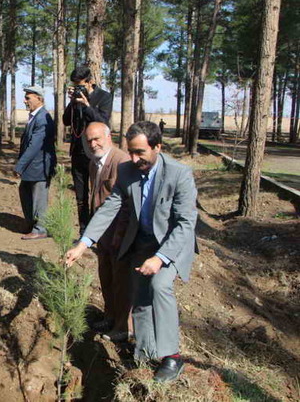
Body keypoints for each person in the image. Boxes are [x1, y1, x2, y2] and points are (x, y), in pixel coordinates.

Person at [65, 121, 198, 383]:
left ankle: (172, 357)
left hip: (171, 242)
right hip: (142, 241)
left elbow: (185, 224)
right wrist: (83, 243)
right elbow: (109, 207)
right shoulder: (127, 171)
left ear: (157, 147)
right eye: (131, 152)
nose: (135, 159)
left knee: (159, 286)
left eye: (141, 152)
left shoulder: (179, 174)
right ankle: (146, 352)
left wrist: (160, 258)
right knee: (139, 294)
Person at [82, 121, 132, 342]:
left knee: (122, 281)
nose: (93, 144)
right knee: (106, 276)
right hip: (102, 234)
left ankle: (125, 327)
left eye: (97, 139)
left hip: (120, 235)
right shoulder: (94, 163)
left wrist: (120, 236)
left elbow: (128, 204)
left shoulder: (122, 162)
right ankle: (110, 316)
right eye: (89, 140)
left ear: (109, 137)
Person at [63, 66, 112, 235]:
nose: (78, 87)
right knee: (80, 195)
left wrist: (87, 104)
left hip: (96, 152)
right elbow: (65, 121)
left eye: (81, 84)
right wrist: (71, 101)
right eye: (75, 85)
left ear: (90, 81)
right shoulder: (75, 98)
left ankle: (98, 232)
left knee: (98, 193)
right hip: (78, 152)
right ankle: (84, 232)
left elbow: (103, 121)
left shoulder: (104, 97)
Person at [15, 86, 57, 240]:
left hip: (40, 166)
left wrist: (20, 166)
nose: (25, 101)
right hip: (32, 166)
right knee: (25, 191)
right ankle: (30, 223)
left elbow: (35, 146)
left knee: (39, 197)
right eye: (25, 97)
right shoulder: (35, 116)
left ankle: (40, 229)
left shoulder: (42, 118)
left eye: (28, 97)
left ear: (39, 98)